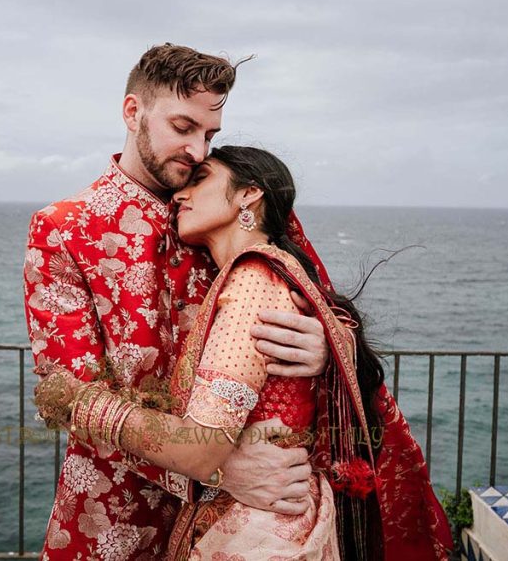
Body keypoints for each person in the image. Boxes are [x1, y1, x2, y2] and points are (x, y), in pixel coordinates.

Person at [36, 147, 454, 560]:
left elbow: (201, 450)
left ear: (248, 196)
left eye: (201, 179)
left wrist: (80, 403)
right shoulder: (265, 269)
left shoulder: (252, 280)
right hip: (260, 516)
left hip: (260, 526)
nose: (181, 193)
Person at [24, 44, 336, 560]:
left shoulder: (229, 203)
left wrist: (325, 344)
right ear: (132, 112)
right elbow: (67, 393)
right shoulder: (64, 229)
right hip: (111, 513)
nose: (197, 151)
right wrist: (211, 465)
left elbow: (322, 302)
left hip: (247, 517)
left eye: (209, 134)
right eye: (183, 127)